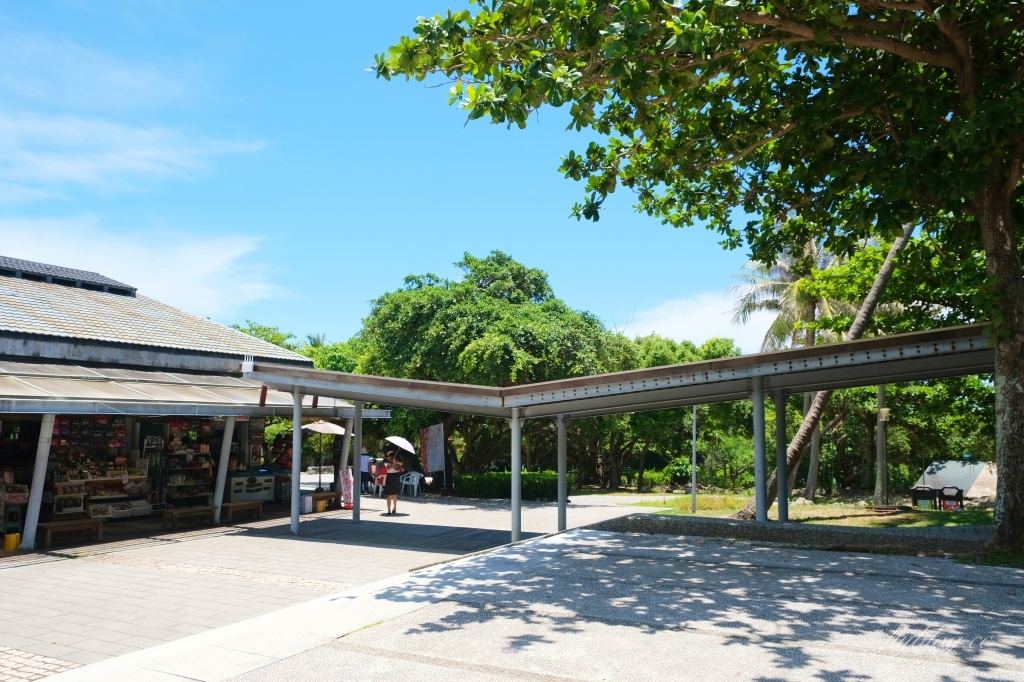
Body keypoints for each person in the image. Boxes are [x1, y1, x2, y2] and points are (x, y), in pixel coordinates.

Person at [382, 450, 404, 515]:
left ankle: (394, 507)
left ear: (391, 456)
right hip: (389, 477)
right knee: (389, 495)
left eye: (387, 456)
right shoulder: (386, 463)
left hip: (396, 477)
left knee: (394, 495)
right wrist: (394, 463)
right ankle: (389, 510)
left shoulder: (396, 461)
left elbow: (401, 466)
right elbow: (388, 469)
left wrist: (396, 462)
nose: (386, 457)